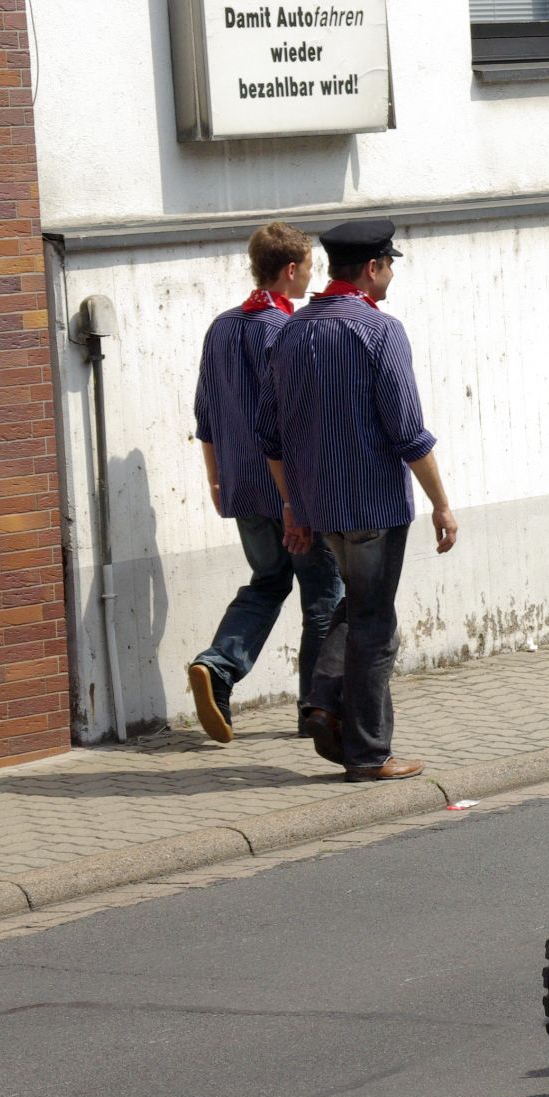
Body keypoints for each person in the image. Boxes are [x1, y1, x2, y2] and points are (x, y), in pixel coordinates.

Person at [256, 217, 459, 783]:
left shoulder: (288, 333)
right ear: (372, 269)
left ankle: (322, 698)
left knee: (356, 604)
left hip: (321, 508)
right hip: (373, 507)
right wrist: (442, 503)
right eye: (389, 263)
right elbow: (408, 432)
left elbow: (271, 436)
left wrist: (293, 506)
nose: (391, 273)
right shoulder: (380, 332)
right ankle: (369, 752)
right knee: (374, 623)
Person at [185, 221, 344, 745]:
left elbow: (205, 410)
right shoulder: (290, 331)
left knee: (269, 582)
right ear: (291, 269)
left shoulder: (221, 327)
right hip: (290, 490)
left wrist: (215, 479)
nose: (310, 279)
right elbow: (296, 420)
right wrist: (301, 498)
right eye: (308, 269)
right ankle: (317, 710)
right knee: (323, 594)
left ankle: (219, 665)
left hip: (241, 485)